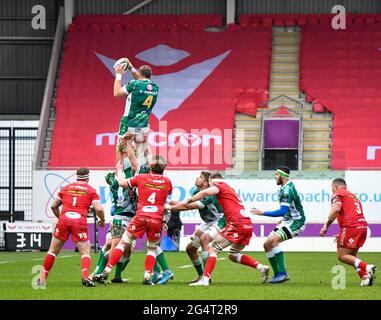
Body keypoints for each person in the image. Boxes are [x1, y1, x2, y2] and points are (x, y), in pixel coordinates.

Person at [94, 155, 172, 285]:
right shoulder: (167, 181)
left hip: (140, 216)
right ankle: (147, 276)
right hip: (156, 219)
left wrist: (119, 170)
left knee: (123, 244)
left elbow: (122, 183)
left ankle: (106, 271)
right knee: (152, 249)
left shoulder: (141, 178)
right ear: (164, 168)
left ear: (151, 166)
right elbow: (167, 194)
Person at [182, 173, 269, 287]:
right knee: (233, 254)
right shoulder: (230, 188)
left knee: (213, 249)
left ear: (212, 181)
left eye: (210, 183)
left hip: (237, 223)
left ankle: (205, 279)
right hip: (247, 223)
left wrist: (190, 199)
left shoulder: (219, 185)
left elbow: (205, 192)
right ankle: (261, 267)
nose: (210, 185)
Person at [37, 168, 105, 287]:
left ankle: (41, 280)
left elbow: (53, 206)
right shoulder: (91, 190)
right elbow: (99, 209)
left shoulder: (66, 188)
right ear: (87, 178)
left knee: (52, 251)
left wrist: (61, 218)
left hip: (64, 220)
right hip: (79, 222)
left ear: (77, 177)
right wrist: (102, 220)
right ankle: (85, 277)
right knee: (85, 251)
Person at [166, 171, 226, 283]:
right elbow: (183, 203)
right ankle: (200, 275)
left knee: (204, 239)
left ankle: (206, 277)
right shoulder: (195, 191)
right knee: (190, 249)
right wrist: (166, 201)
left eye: (200, 177)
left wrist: (167, 207)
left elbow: (187, 207)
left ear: (206, 182)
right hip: (207, 222)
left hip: (219, 221)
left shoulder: (209, 195)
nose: (197, 178)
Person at [251, 166, 306, 284]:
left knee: (274, 240)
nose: (274, 177)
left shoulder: (287, 190)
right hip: (288, 220)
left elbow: (282, 210)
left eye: (276, 174)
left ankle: (283, 273)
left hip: (297, 221)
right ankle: (277, 274)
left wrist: (262, 213)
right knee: (266, 244)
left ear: (282, 175)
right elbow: (287, 210)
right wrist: (284, 218)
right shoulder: (283, 188)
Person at [320, 178, 377, 286]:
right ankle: (365, 278)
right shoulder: (353, 196)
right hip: (362, 226)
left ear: (335, 187)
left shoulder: (338, 193)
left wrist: (326, 226)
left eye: (332, 188)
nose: (332, 190)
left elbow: (336, 210)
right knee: (352, 256)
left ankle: (368, 267)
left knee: (342, 256)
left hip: (351, 227)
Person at [91, 162, 137, 283]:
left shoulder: (115, 184)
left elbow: (109, 177)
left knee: (124, 250)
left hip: (128, 220)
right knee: (113, 248)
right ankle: (98, 272)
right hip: (122, 219)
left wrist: (118, 170)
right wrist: (123, 167)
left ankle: (116, 276)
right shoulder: (132, 185)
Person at [113, 58, 158, 174]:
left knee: (121, 148)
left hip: (129, 121)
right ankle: (151, 170)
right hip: (143, 123)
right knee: (144, 147)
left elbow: (116, 93)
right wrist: (131, 67)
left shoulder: (134, 84)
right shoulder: (155, 87)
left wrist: (118, 75)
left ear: (140, 74)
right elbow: (139, 79)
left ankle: (120, 175)